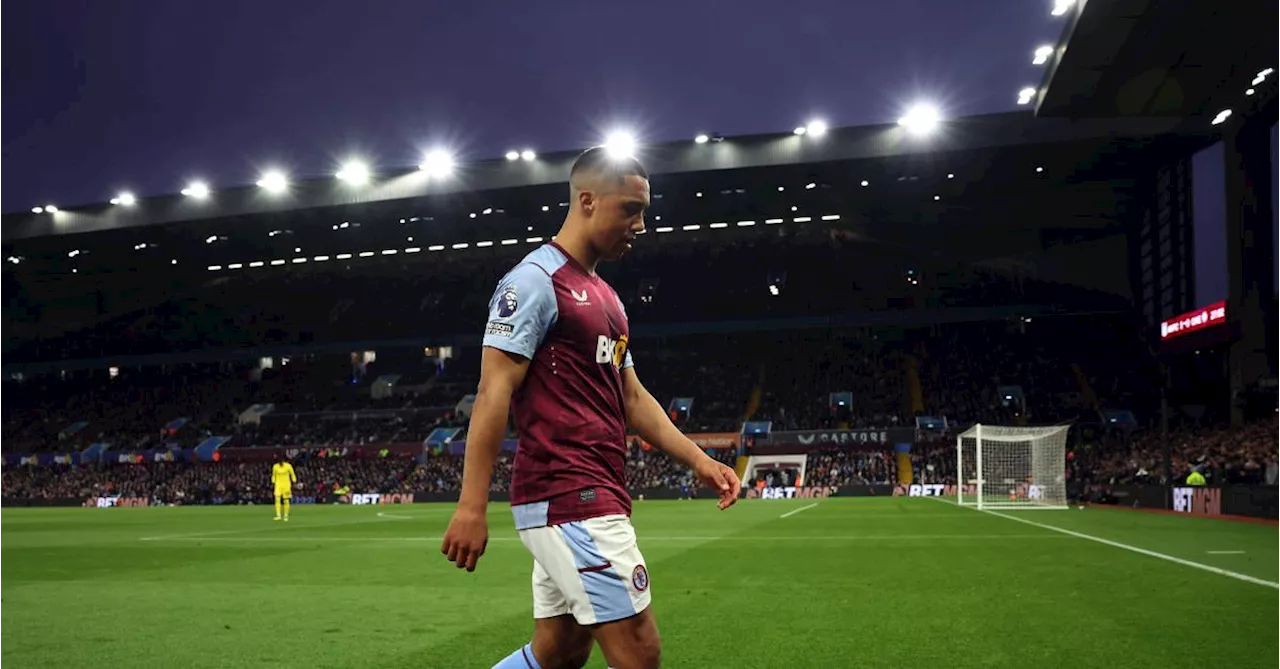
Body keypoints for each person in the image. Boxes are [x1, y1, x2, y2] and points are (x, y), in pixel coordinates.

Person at [441, 147, 741, 669]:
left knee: (559, 652)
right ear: (586, 201)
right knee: (639, 651)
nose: (640, 224)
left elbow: (632, 398)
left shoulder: (607, 298)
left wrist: (701, 460)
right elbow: (494, 391)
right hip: (571, 495)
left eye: (644, 211)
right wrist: (471, 505)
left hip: (588, 494)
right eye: (629, 209)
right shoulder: (534, 282)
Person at [271, 454, 297, 521]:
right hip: (278, 485)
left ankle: (286, 515)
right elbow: (273, 475)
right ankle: (278, 515)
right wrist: (273, 482)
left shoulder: (288, 466)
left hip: (286, 485)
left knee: (286, 500)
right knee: (277, 500)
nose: (280, 462)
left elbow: (292, 474)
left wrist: (294, 481)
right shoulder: (275, 467)